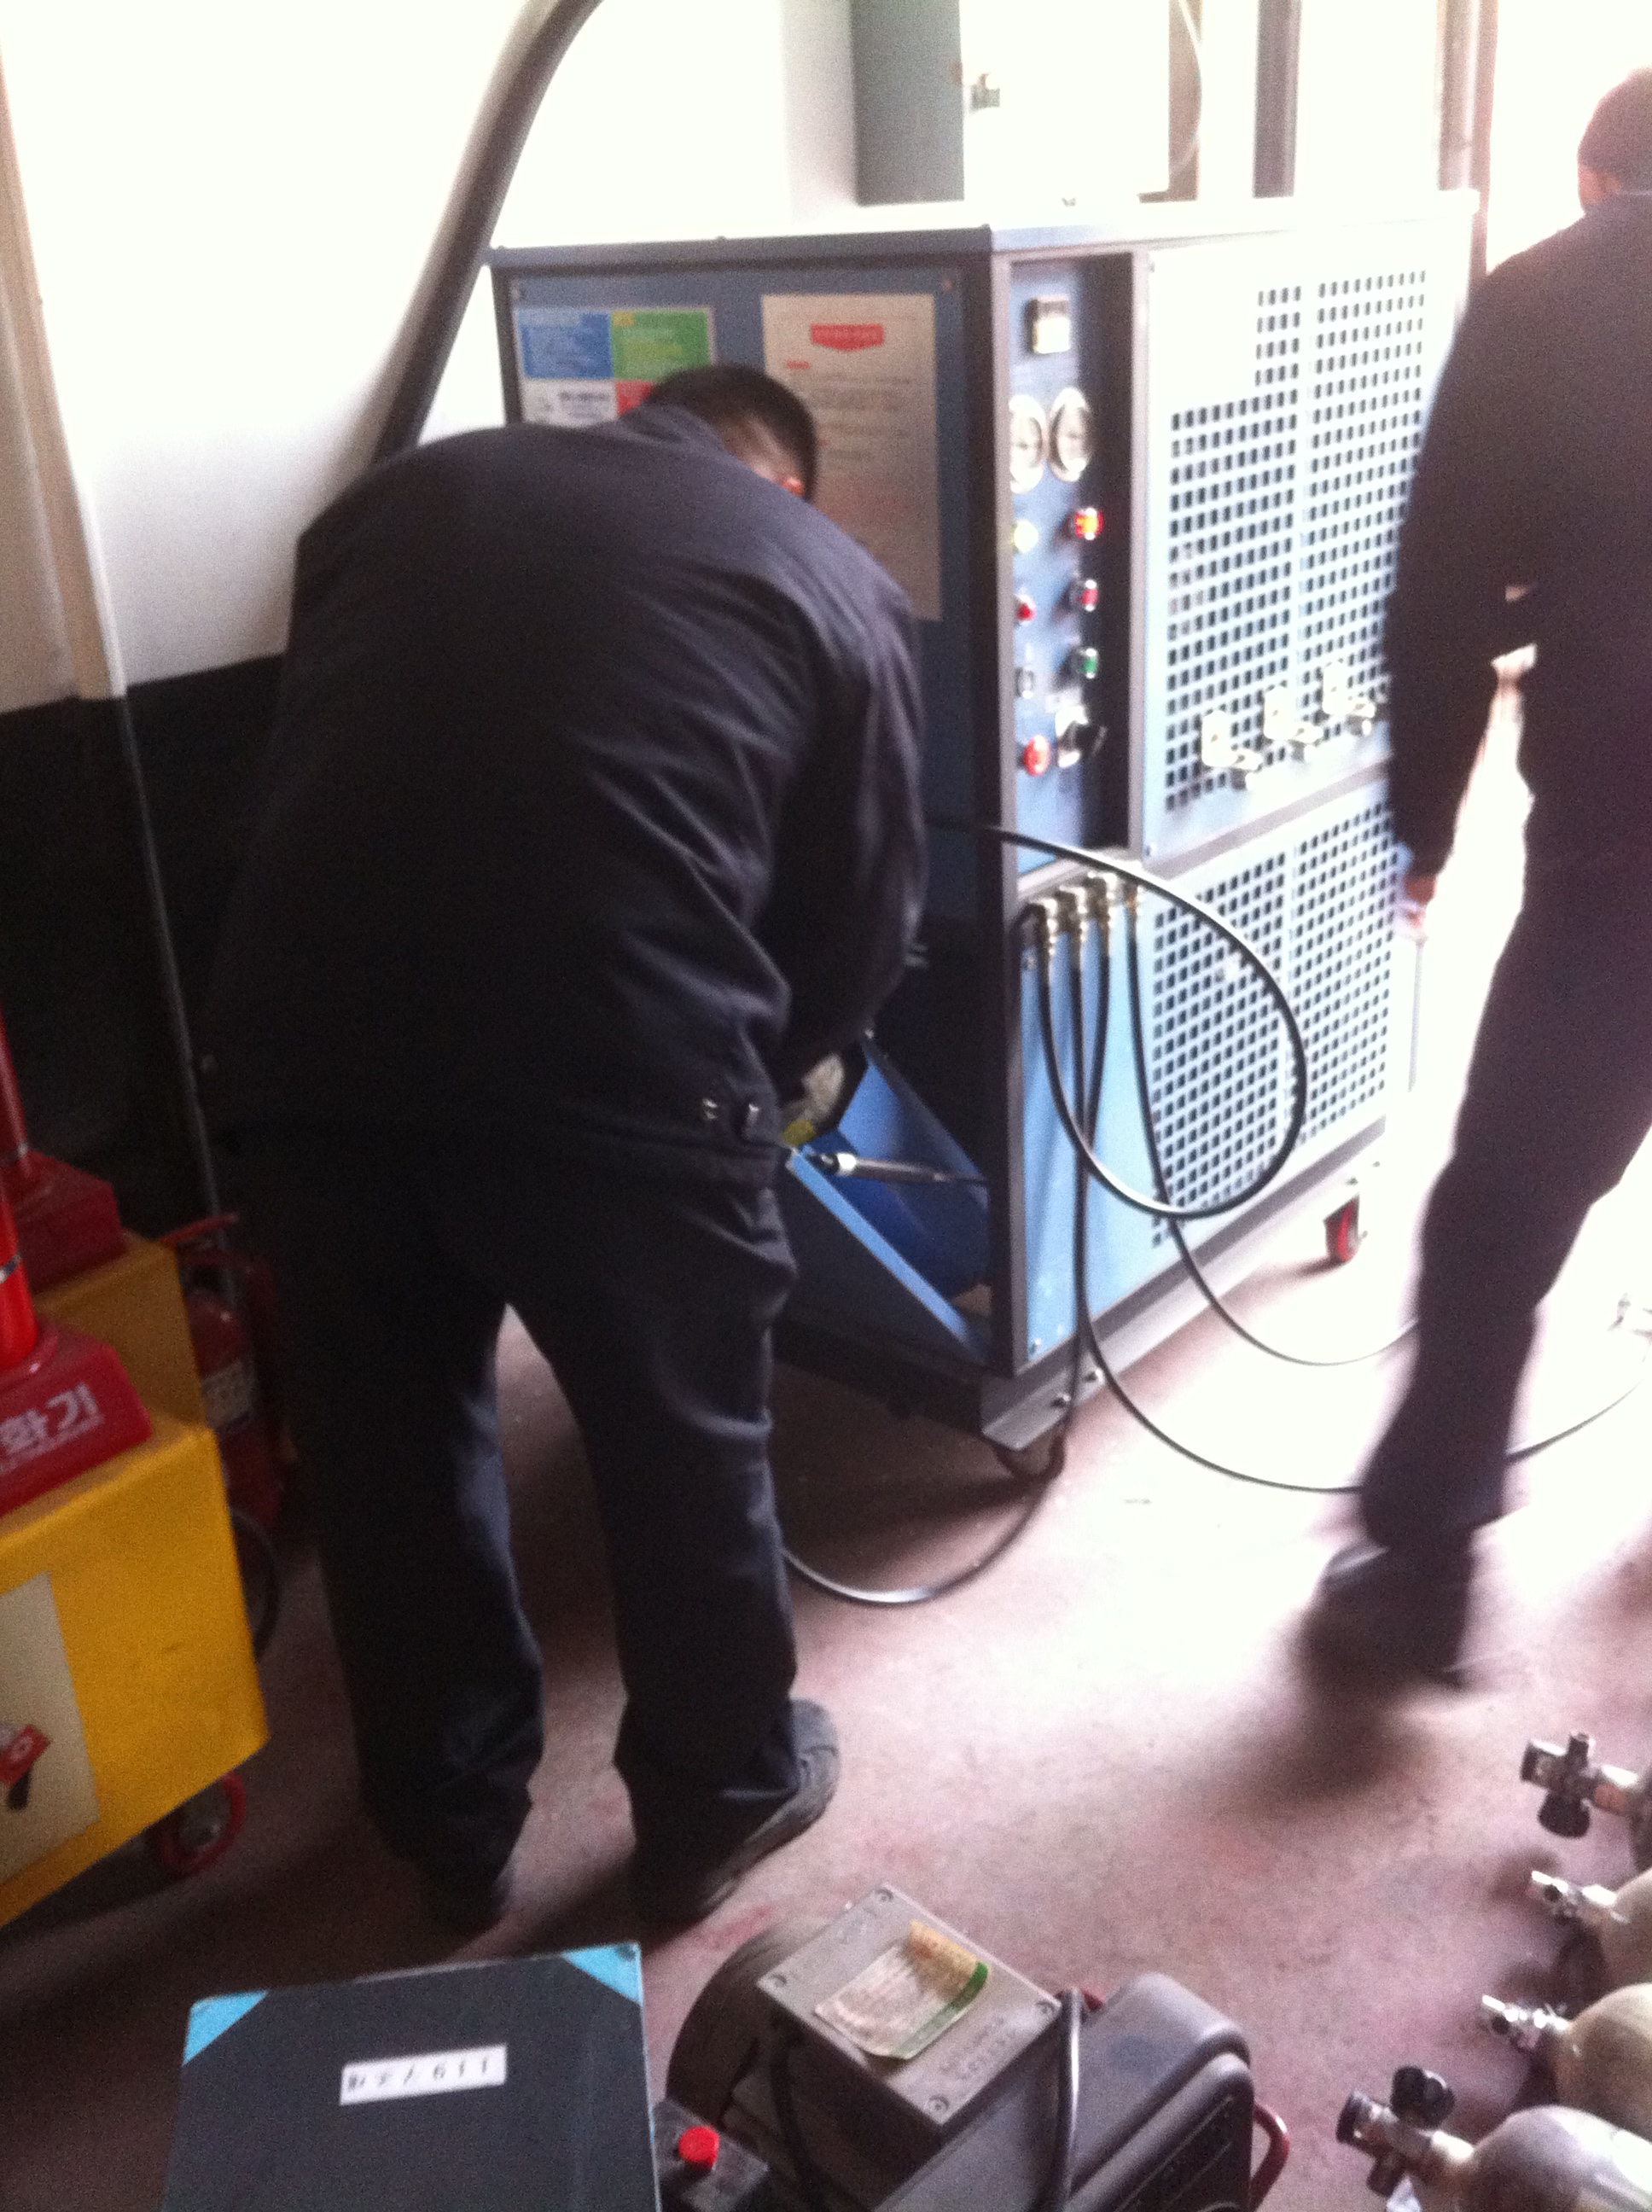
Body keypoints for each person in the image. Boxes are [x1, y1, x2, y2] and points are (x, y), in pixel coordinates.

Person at [201, 365, 925, 1926]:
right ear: (785, 481)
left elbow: (323, 766)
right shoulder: (825, 575)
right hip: (627, 1066)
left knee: (392, 1457)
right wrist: (759, 1074)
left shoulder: (391, 508)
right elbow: (864, 917)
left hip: (308, 1059)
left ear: (636, 414)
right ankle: (718, 1798)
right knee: (682, 1451)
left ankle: (449, 1827)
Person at [1308, 69, 1652, 1682]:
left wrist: (1424, 829)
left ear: (1592, 178)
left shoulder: (1552, 295)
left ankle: (1425, 1567)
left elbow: (1440, 589)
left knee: (1504, 1206)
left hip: (1623, 863)